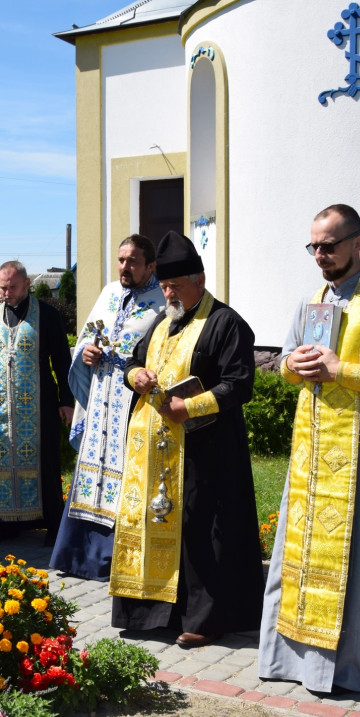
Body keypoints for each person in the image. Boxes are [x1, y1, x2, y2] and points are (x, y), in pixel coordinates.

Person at [258, 204, 360, 694]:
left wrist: (342, 371)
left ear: (356, 242)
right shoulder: (312, 302)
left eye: (329, 246)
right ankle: (293, 661)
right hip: (311, 457)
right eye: (314, 246)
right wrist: (298, 366)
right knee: (300, 552)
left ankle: (355, 667)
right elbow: (285, 362)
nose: (320, 256)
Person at [110, 231, 263, 648]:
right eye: (163, 287)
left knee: (202, 531)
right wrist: (134, 377)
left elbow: (240, 385)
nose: (168, 294)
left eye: (175, 286)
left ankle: (206, 619)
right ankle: (154, 612)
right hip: (158, 451)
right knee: (161, 525)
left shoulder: (225, 323)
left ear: (200, 279)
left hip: (206, 450)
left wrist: (188, 409)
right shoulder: (163, 322)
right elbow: (134, 361)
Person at [50, 234, 165, 579]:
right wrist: (85, 351)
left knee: (128, 472)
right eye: (121, 260)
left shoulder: (162, 301)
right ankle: (76, 556)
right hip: (100, 397)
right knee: (92, 469)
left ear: (150, 266)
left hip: (132, 402)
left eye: (132, 261)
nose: (124, 267)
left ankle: (118, 558)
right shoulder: (109, 293)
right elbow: (88, 335)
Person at [0, 261, 74, 542]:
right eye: (2, 287)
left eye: (12, 287)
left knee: (45, 463)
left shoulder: (47, 315)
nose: (7, 293)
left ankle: (51, 525)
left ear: (27, 284)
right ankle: (1, 525)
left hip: (40, 404)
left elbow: (62, 359)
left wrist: (66, 400)